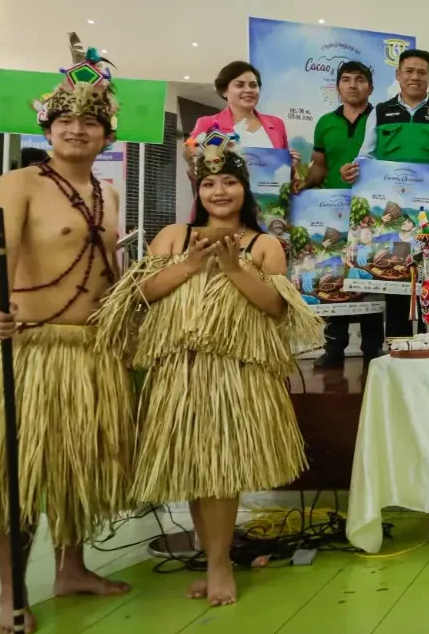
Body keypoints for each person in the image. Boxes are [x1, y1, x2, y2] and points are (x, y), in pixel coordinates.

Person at [0, 57, 135, 634]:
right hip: (32, 349)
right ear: (47, 129)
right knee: (15, 476)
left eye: (90, 123)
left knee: (77, 469)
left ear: (106, 134)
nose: (77, 130)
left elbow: (109, 267)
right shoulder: (18, 183)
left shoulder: (107, 192)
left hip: (90, 350)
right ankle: (12, 593)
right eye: (65, 121)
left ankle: (73, 569)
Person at [97, 133, 322, 607]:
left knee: (220, 471)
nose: (220, 192)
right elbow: (139, 294)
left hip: (233, 375)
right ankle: (212, 557)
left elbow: (277, 309)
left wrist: (236, 269)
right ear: (198, 191)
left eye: (229, 183)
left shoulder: (264, 244)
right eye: (209, 184)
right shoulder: (174, 237)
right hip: (178, 370)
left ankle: (219, 565)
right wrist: (190, 265)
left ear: (245, 189)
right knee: (195, 468)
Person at [359, 49, 429, 336]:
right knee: (398, 273)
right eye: (409, 71)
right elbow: (366, 157)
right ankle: (398, 343)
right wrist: (354, 170)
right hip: (394, 213)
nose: (415, 77)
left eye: (421, 72)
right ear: (398, 75)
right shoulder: (380, 112)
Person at [300, 60, 383, 367]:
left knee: (367, 276)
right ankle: (334, 346)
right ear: (337, 87)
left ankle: (373, 347)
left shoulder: (381, 118)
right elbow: (319, 165)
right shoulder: (325, 123)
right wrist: (304, 185)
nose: (352, 85)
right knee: (334, 276)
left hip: (369, 212)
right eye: (346, 80)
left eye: (359, 80)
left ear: (370, 87)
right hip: (332, 211)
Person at [190, 60, 291, 152]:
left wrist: (291, 162)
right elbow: (195, 162)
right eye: (239, 85)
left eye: (253, 85)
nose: (248, 90)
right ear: (224, 91)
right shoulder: (207, 124)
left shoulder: (277, 124)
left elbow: (282, 164)